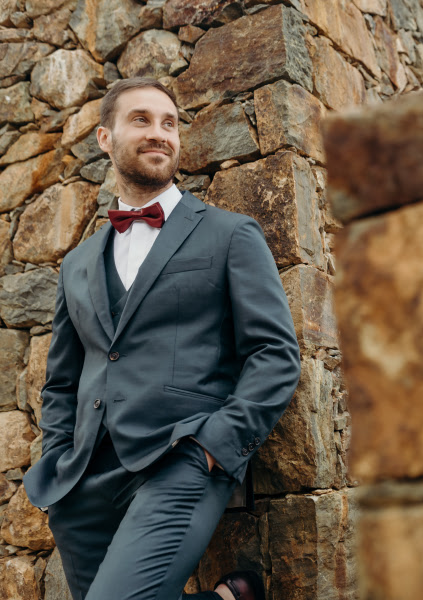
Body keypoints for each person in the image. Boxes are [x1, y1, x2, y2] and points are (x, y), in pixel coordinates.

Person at [22, 77, 302, 600]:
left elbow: (275, 353)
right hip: (82, 483)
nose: (159, 133)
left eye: (169, 123)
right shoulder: (77, 264)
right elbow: (61, 381)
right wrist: (58, 455)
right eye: (141, 120)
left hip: (180, 460)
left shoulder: (229, 234)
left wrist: (214, 447)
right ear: (105, 138)